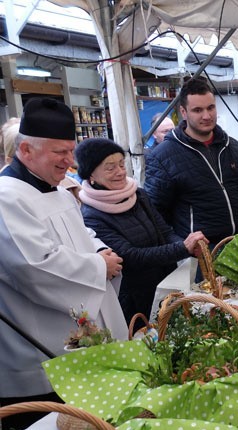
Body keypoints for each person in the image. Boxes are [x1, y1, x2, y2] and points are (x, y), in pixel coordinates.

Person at [0, 98, 127, 430]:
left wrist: (101, 250)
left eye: (71, 150)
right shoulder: (6, 196)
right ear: (26, 150)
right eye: (60, 152)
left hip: (76, 344)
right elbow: (35, 266)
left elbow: (81, 233)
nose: (70, 161)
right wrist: (98, 267)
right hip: (37, 352)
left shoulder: (55, 190)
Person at [76, 138, 208, 323]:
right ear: (91, 175)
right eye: (110, 167)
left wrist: (186, 245)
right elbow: (130, 256)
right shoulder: (91, 214)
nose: (120, 172)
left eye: (121, 164)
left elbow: (164, 231)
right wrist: (182, 248)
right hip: (134, 298)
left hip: (166, 283)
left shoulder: (138, 195)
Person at [144, 76, 238, 247]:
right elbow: (156, 215)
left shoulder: (233, 147)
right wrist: (181, 247)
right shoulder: (163, 156)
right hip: (201, 253)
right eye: (198, 110)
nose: (207, 116)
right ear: (183, 112)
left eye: (211, 108)